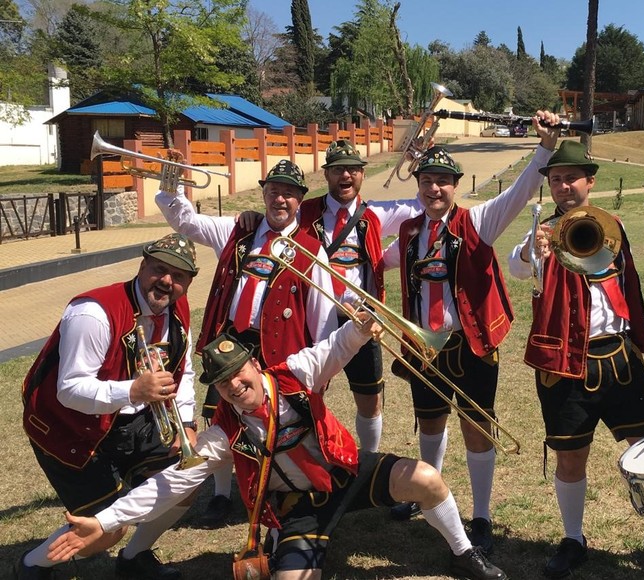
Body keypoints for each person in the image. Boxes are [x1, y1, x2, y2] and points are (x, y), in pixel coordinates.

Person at [44, 322, 508, 580]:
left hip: (343, 474)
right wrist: (106, 521)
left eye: (238, 372)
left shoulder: (293, 373)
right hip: (296, 508)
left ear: (254, 363)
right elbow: (170, 483)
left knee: (426, 478)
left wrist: (362, 326)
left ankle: (463, 553)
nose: (234, 385)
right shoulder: (222, 432)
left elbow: (337, 346)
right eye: (223, 383)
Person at [381, 111, 561, 553]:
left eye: (443, 181)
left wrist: (546, 148)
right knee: (430, 423)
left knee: (476, 428)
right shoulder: (407, 232)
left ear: (455, 185)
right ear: (419, 185)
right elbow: (374, 262)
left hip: (471, 344)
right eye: (427, 181)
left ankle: (480, 514)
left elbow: (520, 194)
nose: (434, 188)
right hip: (425, 344)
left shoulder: (478, 221)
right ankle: (429, 496)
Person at [506, 140, 644, 579]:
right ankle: (573, 538)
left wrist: (641, 337)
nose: (563, 186)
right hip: (565, 362)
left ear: (589, 181)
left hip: (617, 354)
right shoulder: (542, 230)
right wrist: (531, 252)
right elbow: (518, 269)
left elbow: (630, 281)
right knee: (570, 456)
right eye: (556, 179)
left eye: (571, 178)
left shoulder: (612, 225)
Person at [155, 158, 337, 528]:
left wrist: (321, 370)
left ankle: (276, 490)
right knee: (220, 417)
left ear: (300, 199)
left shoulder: (311, 249)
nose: (280, 200)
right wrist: (170, 182)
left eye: (288, 193)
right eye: (273, 192)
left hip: (278, 350)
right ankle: (222, 495)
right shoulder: (239, 230)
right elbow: (185, 222)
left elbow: (324, 316)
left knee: (272, 423)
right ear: (264, 194)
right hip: (230, 342)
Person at [18, 233, 200, 580]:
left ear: (189, 282)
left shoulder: (178, 311)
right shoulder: (94, 313)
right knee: (103, 529)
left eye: (179, 276)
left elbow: (184, 371)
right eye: (159, 269)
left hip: (133, 420)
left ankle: (134, 559)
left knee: (182, 488)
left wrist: (187, 421)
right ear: (142, 264)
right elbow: (69, 390)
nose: (167, 281)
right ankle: (31, 566)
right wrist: (132, 391)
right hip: (68, 426)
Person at [297, 140, 423, 456]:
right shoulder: (305, 212)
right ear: (326, 174)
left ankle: (368, 459)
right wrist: (246, 214)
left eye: (353, 169)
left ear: (362, 175)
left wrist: (420, 162)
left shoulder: (375, 214)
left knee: (369, 396)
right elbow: (273, 216)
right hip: (313, 316)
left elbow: (427, 204)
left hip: (361, 318)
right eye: (338, 168)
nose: (346, 175)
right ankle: (311, 456)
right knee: (307, 390)